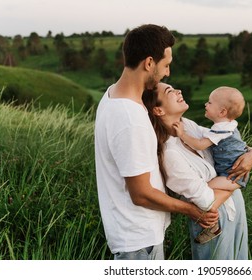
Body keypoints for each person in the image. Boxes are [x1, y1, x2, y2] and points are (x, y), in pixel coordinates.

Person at [94, 24, 219, 260]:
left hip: (134, 235)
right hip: (138, 241)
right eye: (166, 65)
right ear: (149, 63)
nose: (168, 73)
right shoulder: (130, 118)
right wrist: (192, 211)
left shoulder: (113, 94)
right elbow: (140, 194)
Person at [142, 82, 252, 259]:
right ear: (158, 110)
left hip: (235, 207)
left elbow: (227, 141)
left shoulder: (188, 126)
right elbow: (207, 202)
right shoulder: (170, 154)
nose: (178, 90)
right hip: (212, 222)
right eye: (169, 91)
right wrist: (237, 182)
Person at [173, 86, 252, 243]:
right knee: (210, 194)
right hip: (232, 175)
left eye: (209, 103)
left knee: (205, 191)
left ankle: (212, 226)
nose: (205, 104)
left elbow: (200, 144)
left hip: (231, 175)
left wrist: (182, 134)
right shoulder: (226, 126)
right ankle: (212, 224)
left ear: (222, 112)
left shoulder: (221, 131)